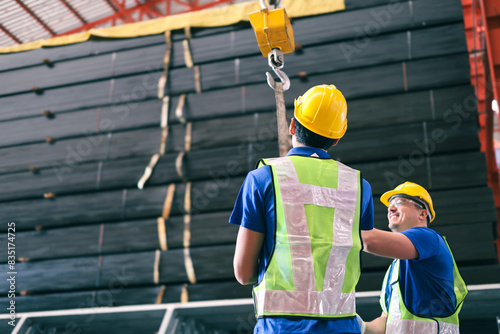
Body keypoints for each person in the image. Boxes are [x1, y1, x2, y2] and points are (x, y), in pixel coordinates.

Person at [230, 84, 374, 333]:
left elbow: (243, 273)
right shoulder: (359, 186)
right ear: (337, 138)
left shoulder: (263, 178)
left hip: (281, 328)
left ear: (292, 125)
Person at [359, 182, 468, 334]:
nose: (390, 208)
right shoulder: (395, 268)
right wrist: (361, 326)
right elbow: (386, 321)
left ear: (422, 214)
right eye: (390, 205)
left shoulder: (429, 238)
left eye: (399, 202)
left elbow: (369, 241)